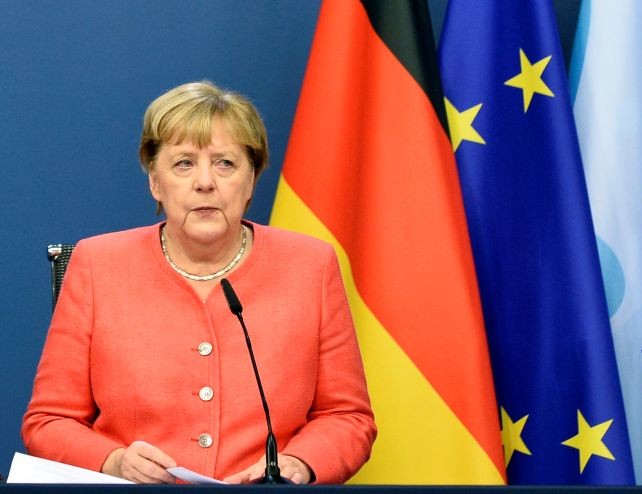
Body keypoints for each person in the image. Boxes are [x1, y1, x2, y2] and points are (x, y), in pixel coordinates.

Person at [21, 81, 377, 484]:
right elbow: (48, 421)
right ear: (156, 182)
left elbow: (347, 417)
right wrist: (114, 461)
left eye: (225, 163)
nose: (205, 181)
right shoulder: (96, 264)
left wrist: (298, 465)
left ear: (252, 180)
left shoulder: (310, 265)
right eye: (184, 163)